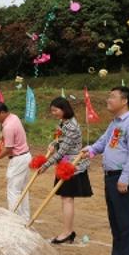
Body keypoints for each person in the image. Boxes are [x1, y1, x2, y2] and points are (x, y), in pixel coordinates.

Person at [82, 86, 129, 255]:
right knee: (115, 220)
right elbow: (104, 142)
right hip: (111, 176)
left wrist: (125, 177)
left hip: (124, 178)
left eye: (112, 96)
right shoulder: (115, 123)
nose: (108, 100)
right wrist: (92, 150)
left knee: (126, 222)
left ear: (124, 100)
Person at [37, 97, 93, 244]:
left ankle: (68, 232)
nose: (53, 113)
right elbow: (59, 141)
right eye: (52, 111)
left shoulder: (71, 127)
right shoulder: (64, 123)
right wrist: (52, 144)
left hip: (72, 167)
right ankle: (68, 231)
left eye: (55, 110)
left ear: (64, 109)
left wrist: (45, 165)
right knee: (65, 198)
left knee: (67, 199)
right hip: (65, 165)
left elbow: (62, 151)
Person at [0, 102, 32, 219]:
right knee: (22, 189)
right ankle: (25, 217)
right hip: (25, 156)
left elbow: (8, 149)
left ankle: (15, 218)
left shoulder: (8, 126)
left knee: (13, 190)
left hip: (18, 159)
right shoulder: (14, 117)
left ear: (2, 113)